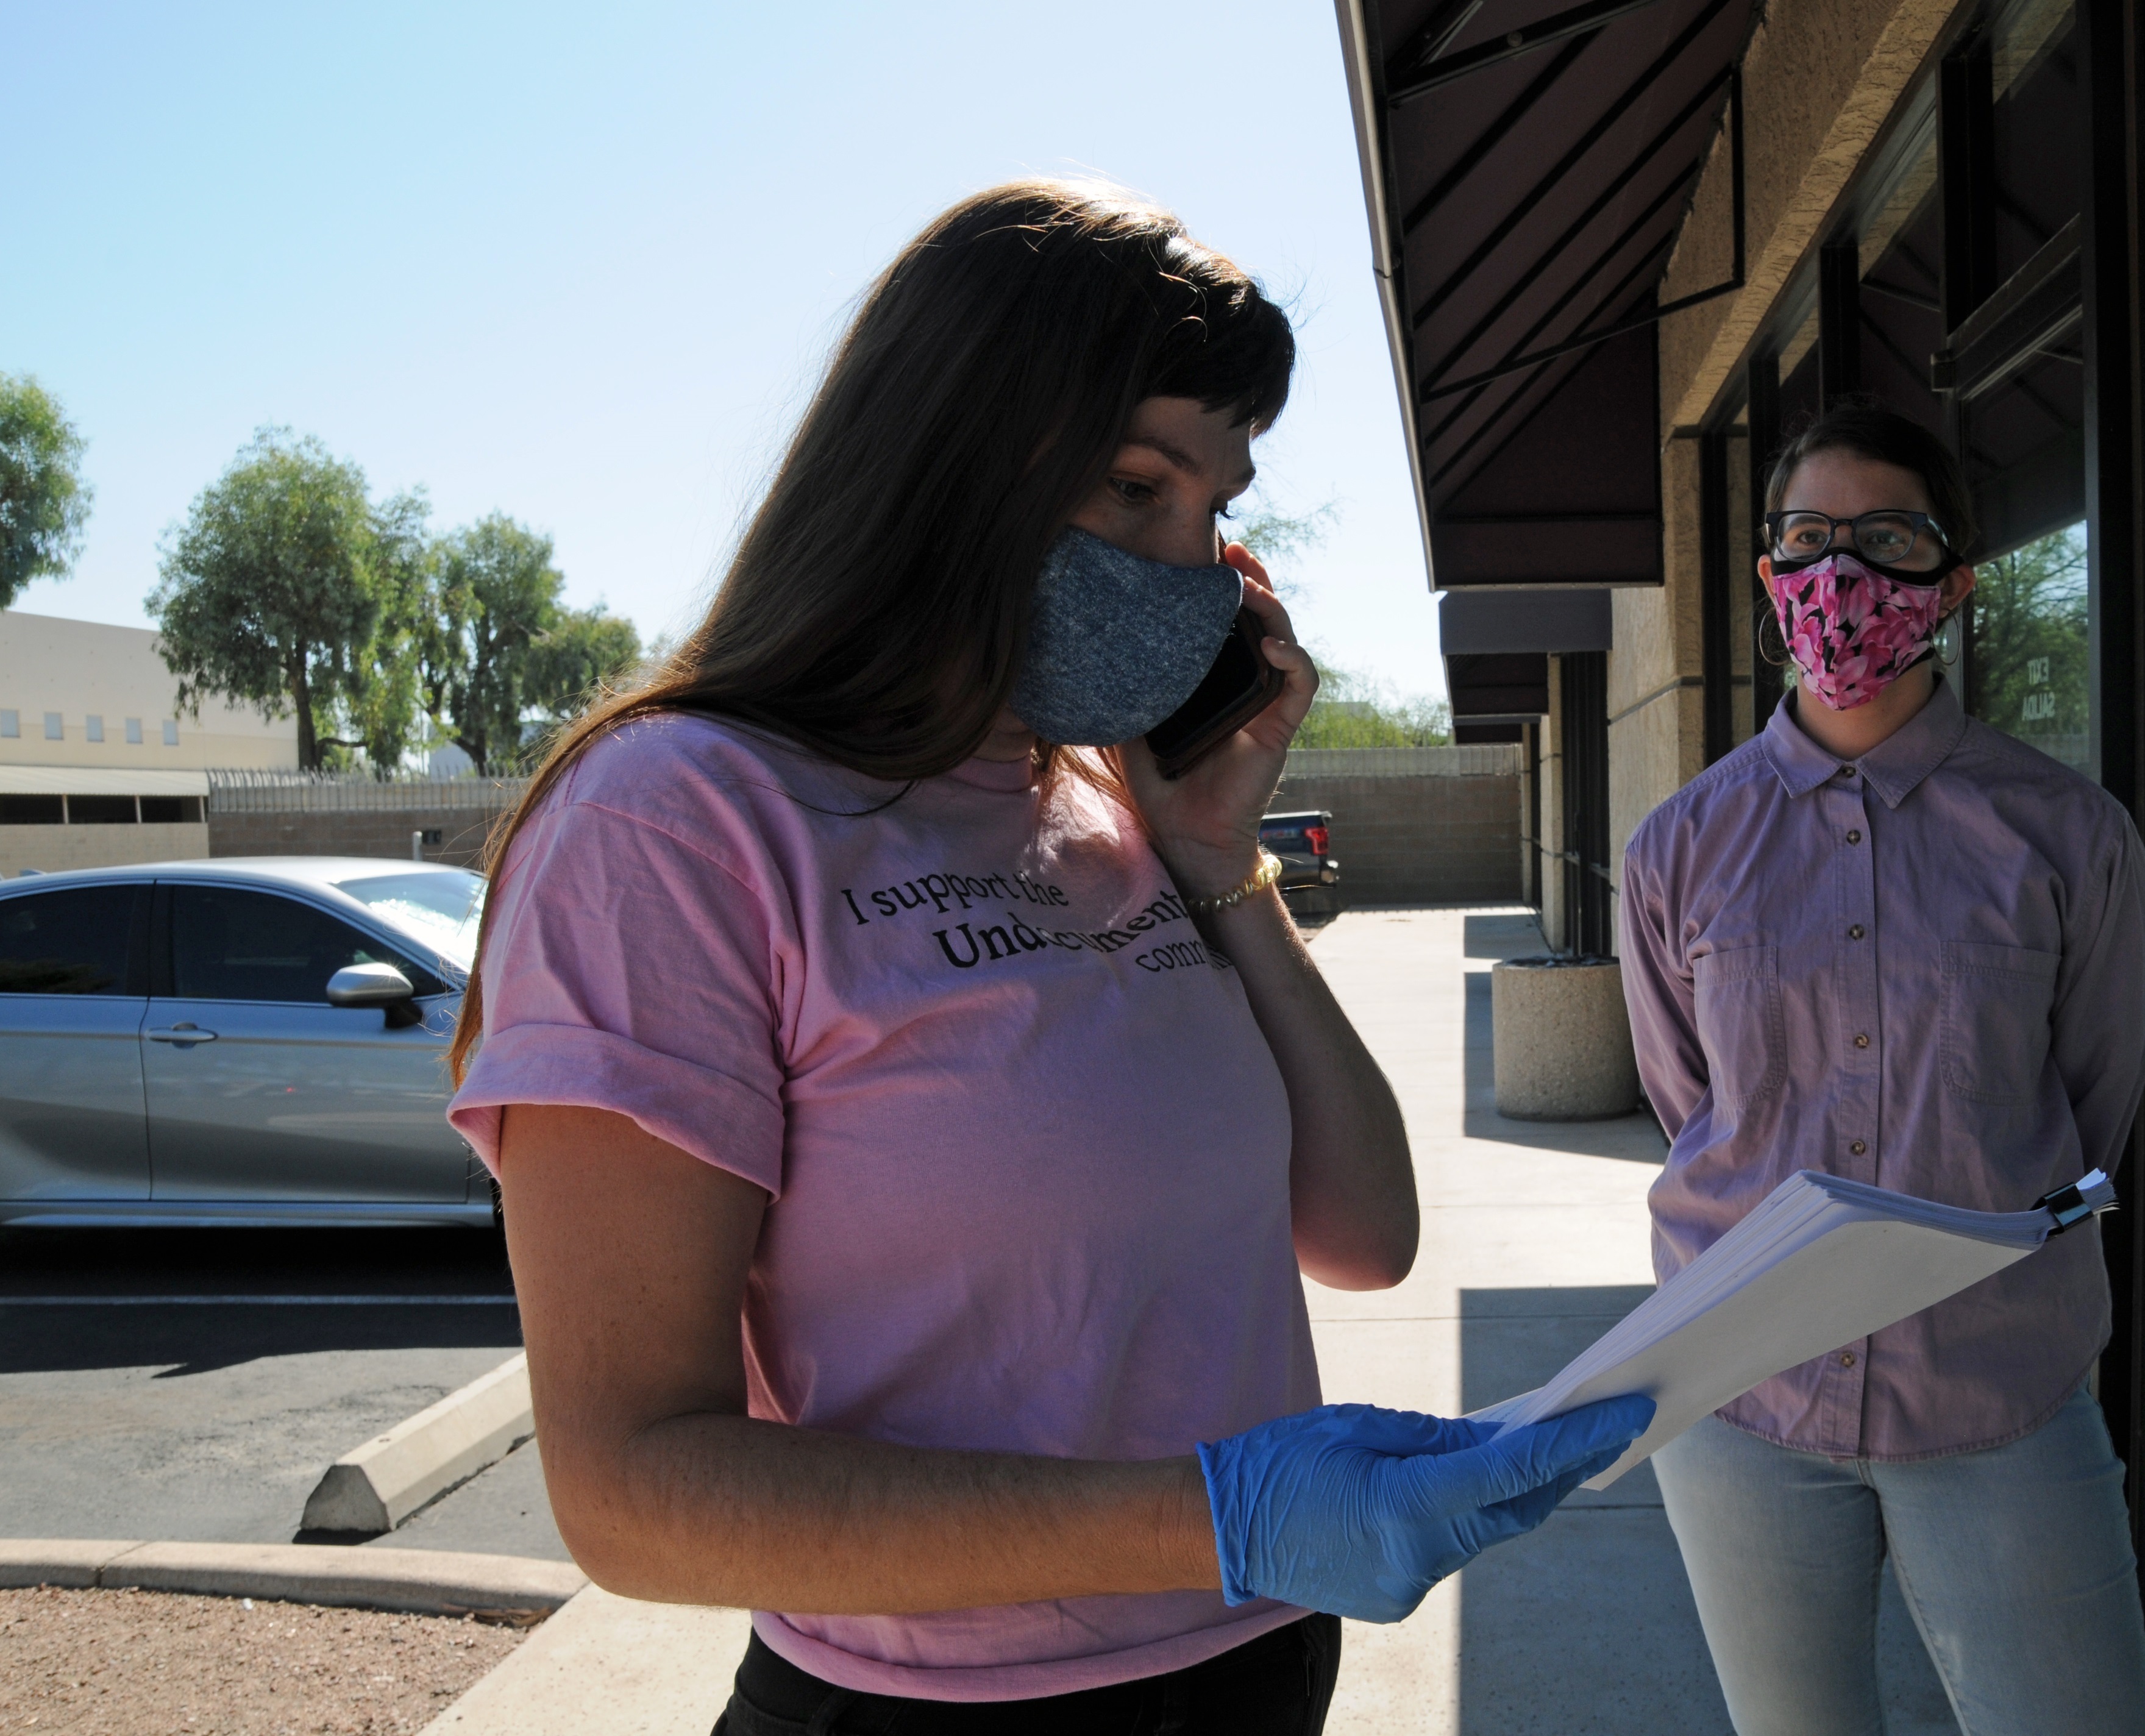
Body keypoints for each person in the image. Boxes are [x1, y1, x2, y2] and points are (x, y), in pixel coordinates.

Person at [444, 181, 1648, 1735]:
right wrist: (1207, 1516)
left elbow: (1363, 1230)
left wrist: (1222, 870)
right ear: (940, 458)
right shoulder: (673, 821)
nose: (1186, 557)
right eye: (1134, 486)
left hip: (1256, 1659)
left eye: (1217, 508)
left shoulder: (1103, 797)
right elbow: (630, 1491)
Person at [1617, 403, 2145, 1735]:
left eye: (1885, 538)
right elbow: (1694, 1108)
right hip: (1740, 1394)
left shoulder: (2064, 834)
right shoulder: (1678, 843)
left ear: (1953, 583)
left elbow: (2093, 1094)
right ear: (1766, 575)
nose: (1838, 572)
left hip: (1997, 1393)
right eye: (1805, 536)